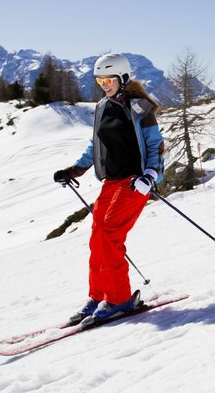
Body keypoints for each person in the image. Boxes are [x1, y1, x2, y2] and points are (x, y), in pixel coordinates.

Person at [53, 53, 165, 325]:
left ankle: (119, 299)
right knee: (96, 238)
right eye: (100, 80)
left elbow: (155, 145)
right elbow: (96, 145)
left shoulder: (140, 107)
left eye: (109, 79)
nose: (104, 84)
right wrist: (76, 169)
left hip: (134, 183)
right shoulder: (103, 106)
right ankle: (99, 295)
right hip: (111, 182)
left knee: (109, 233)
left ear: (123, 78)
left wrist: (151, 175)